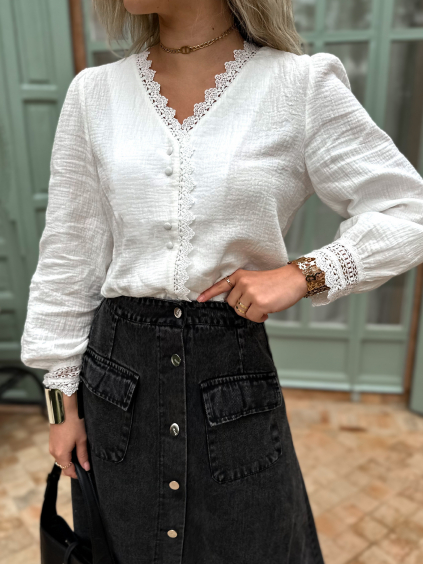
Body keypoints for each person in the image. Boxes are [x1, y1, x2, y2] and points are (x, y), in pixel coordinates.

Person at [20, 0, 423, 562]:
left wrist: (305, 274)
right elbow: (70, 253)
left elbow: (406, 209)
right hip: (116, 384)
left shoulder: (298, 87)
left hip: (232, 381)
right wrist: (61, 404)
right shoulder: (95, 94)